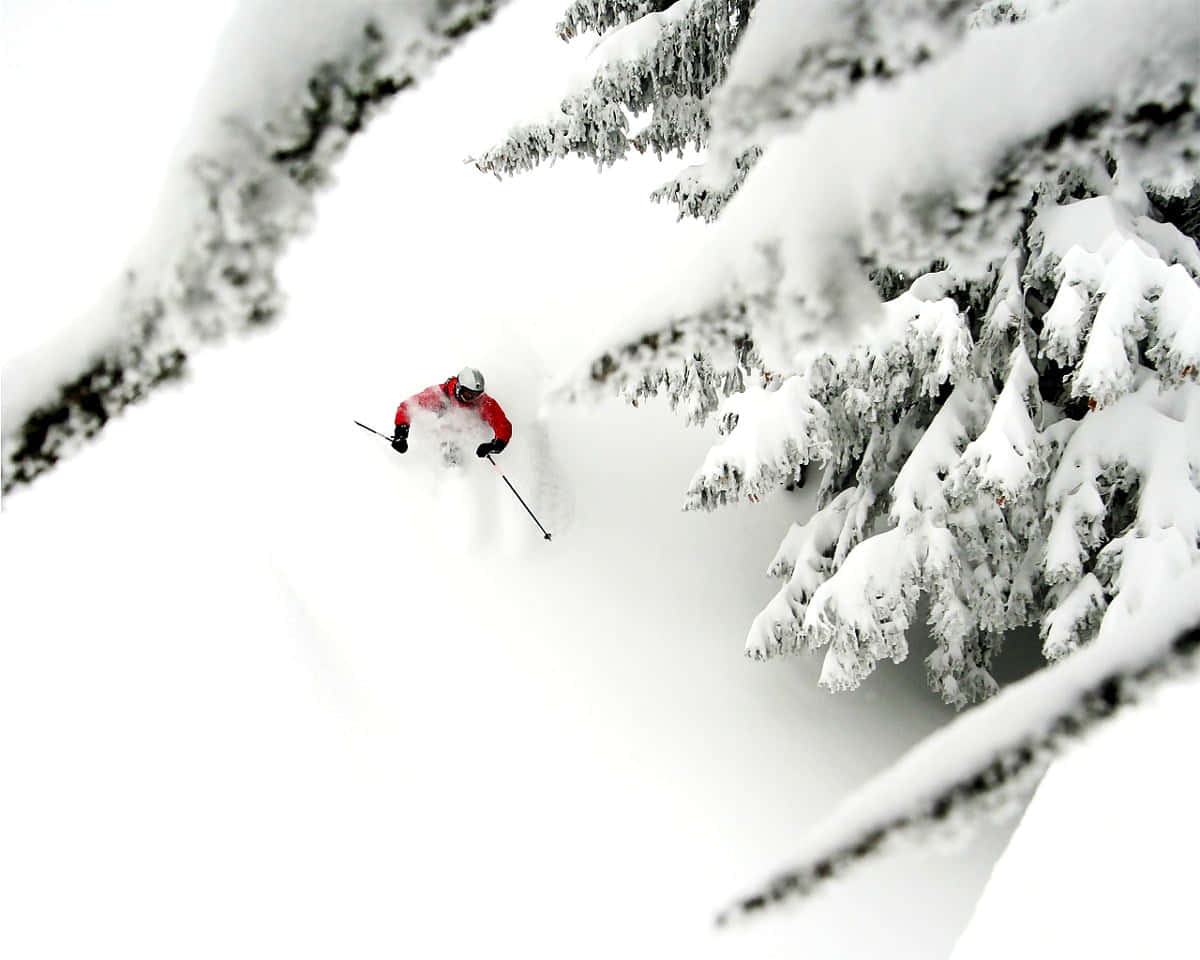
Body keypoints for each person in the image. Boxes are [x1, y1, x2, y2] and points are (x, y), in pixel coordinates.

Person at [391, 366, 512, 459]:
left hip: (466, 442)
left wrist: (495, 445)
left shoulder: (483, 403)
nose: (472, 399)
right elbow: (406, 407)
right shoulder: (438, 395)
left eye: (476, 395)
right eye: (468, 395)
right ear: (459, 388)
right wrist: (401, 434)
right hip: (440, 438)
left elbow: (502, 424)